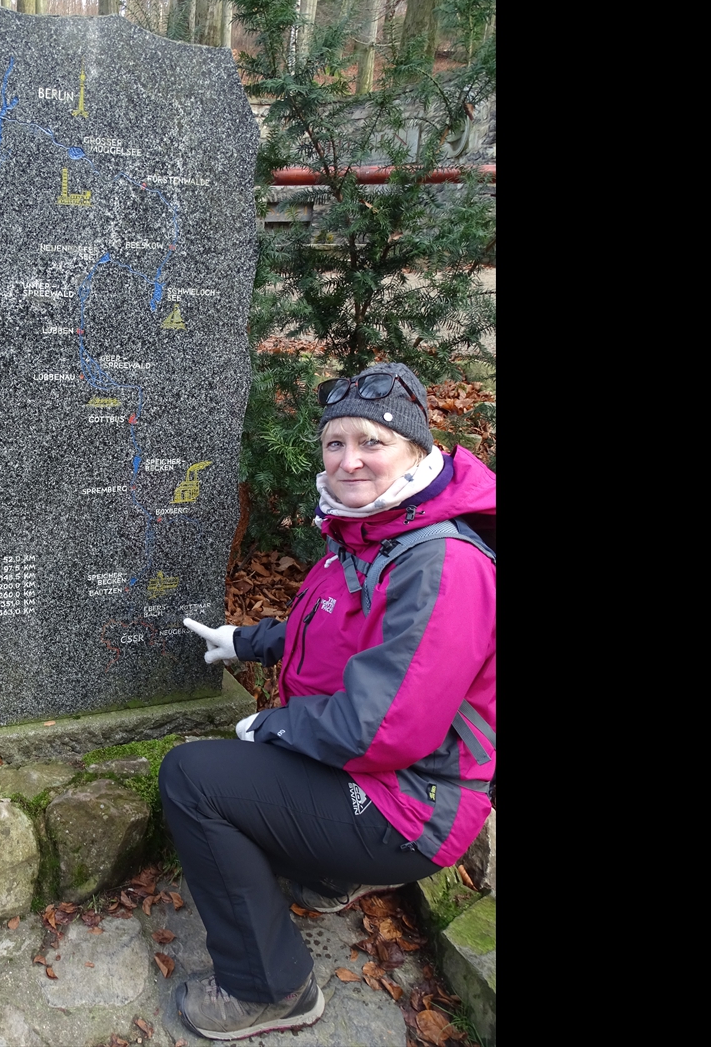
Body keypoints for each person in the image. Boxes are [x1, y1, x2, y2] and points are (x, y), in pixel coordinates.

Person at [161, 362, 497, 1041]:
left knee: (194, 779)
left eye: (372, 442)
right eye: (334, 443)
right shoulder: (378, 529)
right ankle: (332, 872)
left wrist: (279, 726)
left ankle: (270, 989)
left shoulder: (441, 563)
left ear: (417, 449)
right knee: (249, 778)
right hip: (386, 781)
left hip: (409, 803)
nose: (349, 461)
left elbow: (386, 729)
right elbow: (340, 628)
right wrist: (247, 642)